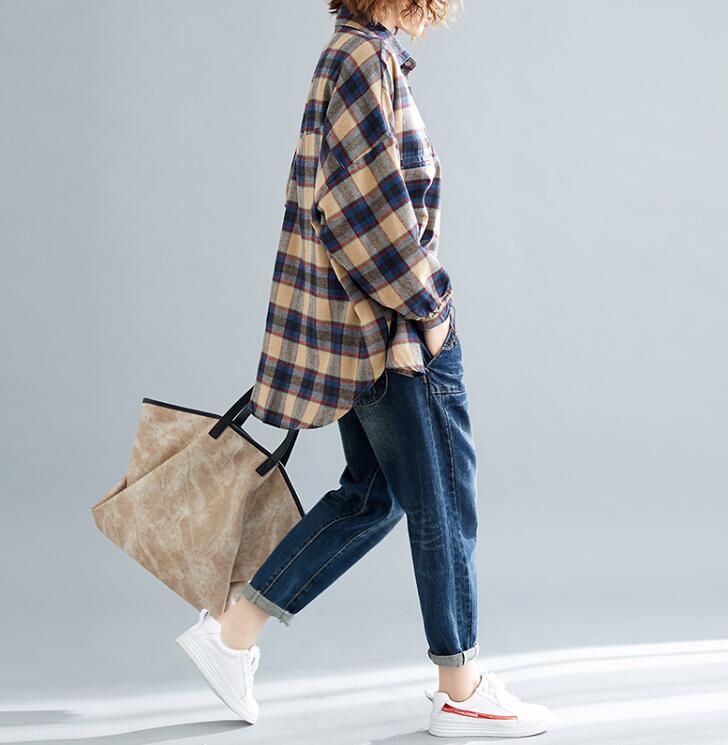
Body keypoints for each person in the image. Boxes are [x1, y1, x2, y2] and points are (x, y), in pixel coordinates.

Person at [175, 1, 554, 738]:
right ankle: (460, 689)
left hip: (362, 331)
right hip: (397, 333)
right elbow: (360, 215)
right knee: (443, 502)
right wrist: (431, 304)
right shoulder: (362, 60)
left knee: (371, 497)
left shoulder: (352, 55)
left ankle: (231, 633)